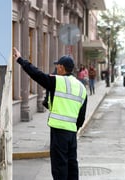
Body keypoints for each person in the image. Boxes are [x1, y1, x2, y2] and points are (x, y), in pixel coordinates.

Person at [13, 47, 87, 180]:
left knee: (60, 168)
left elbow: (36, 74)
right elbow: (82, 116)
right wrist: (74, 129)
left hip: (59, 132)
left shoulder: (57, 81)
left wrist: (20, 59)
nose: (56, 69)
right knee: (72, 165)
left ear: (62, 68)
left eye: (58, 66)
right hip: (72, 134)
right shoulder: (81, 87)